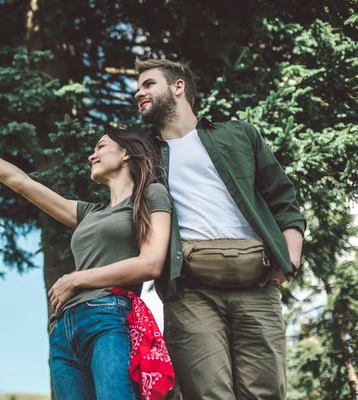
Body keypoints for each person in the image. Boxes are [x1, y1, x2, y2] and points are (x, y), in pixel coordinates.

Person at [0, 114, 173, 399]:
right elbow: (21, 182)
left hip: (110, 317)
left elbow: (150, 263)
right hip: (64, 331)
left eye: (100, 147)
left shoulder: (151, 194)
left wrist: (77, 279)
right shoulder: (89, 212)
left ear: (126, 152)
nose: (92, 155)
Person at [133, 58, 306, 399]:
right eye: (138, 87)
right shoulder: (145, 157)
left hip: (257, 284)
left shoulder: (239, 134)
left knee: (265, 392)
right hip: (191, 292)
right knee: (207, 393)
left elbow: (284, 201)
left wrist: (289, 265)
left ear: (177, 86)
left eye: (148, 84)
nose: (139, 93)